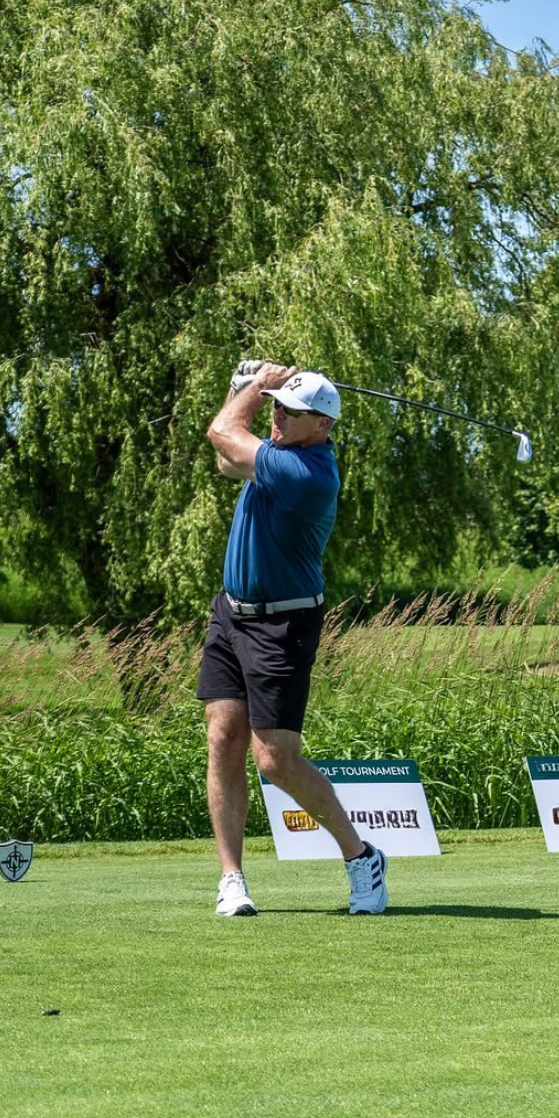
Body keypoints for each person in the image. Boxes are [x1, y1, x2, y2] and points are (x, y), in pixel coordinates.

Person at [197, 361, 388, 917]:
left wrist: (250, 390)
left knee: (275, 760)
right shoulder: (280, 456)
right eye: (276, 405)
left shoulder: (308, 473)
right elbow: (226, 458)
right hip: (232, 613)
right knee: (222, 737)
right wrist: (244, 391)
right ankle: (231, 879)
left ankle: (361, 856)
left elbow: (220, 434)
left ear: (322, 427)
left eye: (290, 411)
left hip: (284, 625)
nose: (278, 416)